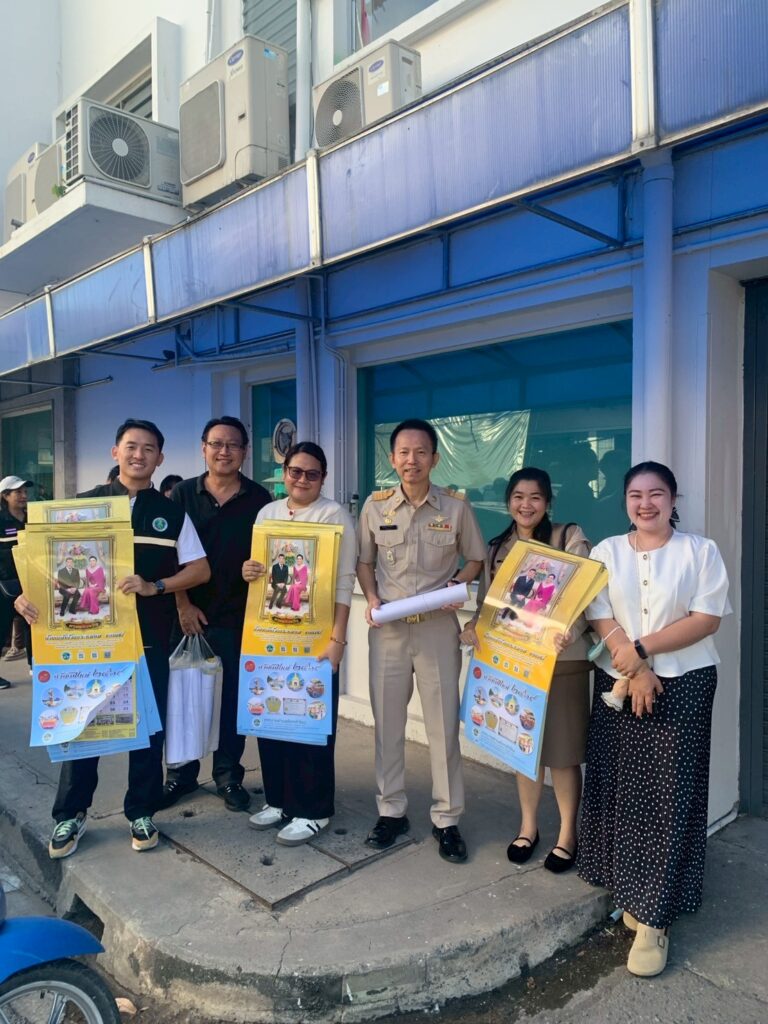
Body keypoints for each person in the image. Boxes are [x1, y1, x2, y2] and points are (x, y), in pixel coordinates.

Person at [15, 419, 210, 858]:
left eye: (149, 449)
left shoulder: (171, 513)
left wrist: (156, 586)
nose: (139, 455)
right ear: (115, 452)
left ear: (160, 458)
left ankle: (141, 811)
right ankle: (71, 813)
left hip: (148, 639)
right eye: (131, 446)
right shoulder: (80, 506)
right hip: (86, 643)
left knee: (146, 729)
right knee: (81, 723)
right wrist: (27, 596)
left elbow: (200, 570)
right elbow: (42, 563)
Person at [577, 461, 730, 977]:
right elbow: (597, 611)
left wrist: (640, 651)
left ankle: (655, 918)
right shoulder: (606, 551)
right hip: (619, 681)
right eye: (636, 495)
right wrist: (635, 665)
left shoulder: (700, 551)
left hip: (684, 683)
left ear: (673, 499)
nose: (646, 504)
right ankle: (631, 889)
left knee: (669, 793)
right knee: (622, 786)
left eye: (657, 494)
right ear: (625, 501)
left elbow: (706, 619)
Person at [357, 418, 485, 863]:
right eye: (404, 452)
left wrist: (457, 584)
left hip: (435, 630)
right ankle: (391, 811)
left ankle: (447, 818)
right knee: (388, 726)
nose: (412, 460)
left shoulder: (455, 508)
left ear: (435, 457)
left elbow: (477, 558)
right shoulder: (375, 507)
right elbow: (365, 562)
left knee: (442, 726)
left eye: (421, 452)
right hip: (389, 630)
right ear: (392, 459)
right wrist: (372, 597)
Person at [460, 467, 591, 874]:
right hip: (514, 665)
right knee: (523, 748)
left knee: (563, 755)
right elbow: (488, 606)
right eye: (518, 497)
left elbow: (585, 597)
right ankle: (528, 827)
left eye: (535, 497)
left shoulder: (568, 537)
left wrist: (571, 631)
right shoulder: (498, 547)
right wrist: (473, 628)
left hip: (561, 662)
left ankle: (567, 834)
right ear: (508, 503)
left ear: (548, 502)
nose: (526, 505)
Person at [243, 441, 356, 845]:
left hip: (314, 639)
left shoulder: (334, 515)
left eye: (312, 473)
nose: (302, 479)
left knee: (310, 720)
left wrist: (338, 639)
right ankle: (279, 800)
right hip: (271, 635)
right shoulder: (268, 513)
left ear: (323, 478)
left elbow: (343, 582)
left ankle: (314, 810)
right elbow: (260, 572)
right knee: (272, 715)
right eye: (295, 471)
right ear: (284, 473)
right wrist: (249, 569)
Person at [160, 416, 270, 813]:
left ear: (245, 451)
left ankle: (228, 775)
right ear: (203, 448)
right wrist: (182, 604)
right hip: (188, 615)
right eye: (216, 444)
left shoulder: (260, 499)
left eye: (233, 445)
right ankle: (181, 774)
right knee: (183, 699)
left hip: (239, 617)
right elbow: (168, 557)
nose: (224, 452)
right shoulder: (181, 495)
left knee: (232, 701)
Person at [0, 476, 32, 689]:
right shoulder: (1, 520)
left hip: (29, 583)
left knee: (33, 626)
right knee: (2, 628)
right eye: (17, 492)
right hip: (5, 587)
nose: (23, 496)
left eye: (24, 491)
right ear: (5, 496)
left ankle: (36, 667)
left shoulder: (33, 518)